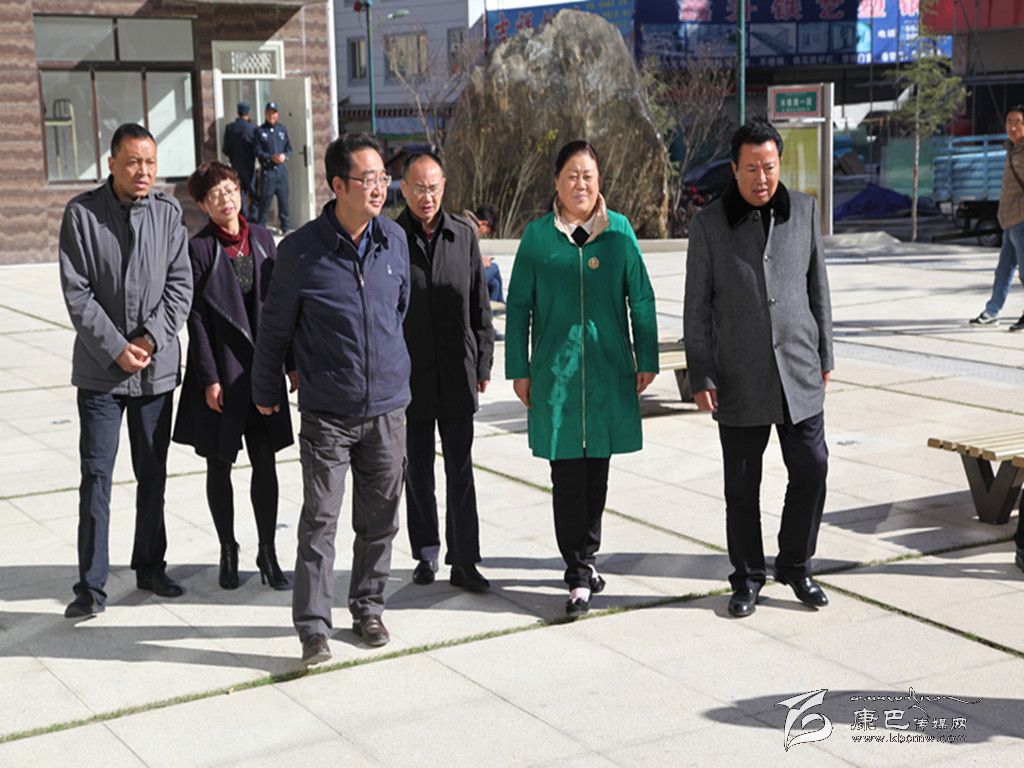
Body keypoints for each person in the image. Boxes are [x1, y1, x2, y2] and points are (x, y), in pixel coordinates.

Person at [252, 132, 410, 665]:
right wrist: (265, 388)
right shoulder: (300, 251)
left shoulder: (394, 240)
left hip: (388, 407)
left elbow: (398, 311)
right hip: (328, 413)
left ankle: (368, 606)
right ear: (338, 185)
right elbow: (275, 327)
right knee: (320, 520)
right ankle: (314, 628)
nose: (380, 188)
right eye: (369, 179)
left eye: (383, 178)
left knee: (381, 518)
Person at [683, 118, 834, 619]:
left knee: (812, 467)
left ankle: (796, 564)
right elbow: (695, 309)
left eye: (769, 166)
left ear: (779, 164)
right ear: (734, 169)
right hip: (739, 376)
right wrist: (702, 374)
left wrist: (826, 354)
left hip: (799, 370)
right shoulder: (709, 225)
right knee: (742, 489)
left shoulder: (804, 211)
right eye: (751, 168)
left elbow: (818, 290)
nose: (761, 178)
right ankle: (747, 577)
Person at [505, 139, 658, 619]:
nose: (580, 184)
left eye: (588, 175)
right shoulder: (537, 238)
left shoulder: (619, 232)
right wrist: (518, 368)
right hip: (557, 376)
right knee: (566, 472)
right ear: (556, 182)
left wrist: (646, 356)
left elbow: (641, 298)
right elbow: (518, 308)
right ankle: (577, 571)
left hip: (608, 371)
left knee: (597, 473)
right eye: (571, 175)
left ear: (600, 181)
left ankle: (585, 559)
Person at [58, 123, 193, 618]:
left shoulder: (168, 213)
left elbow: (180, 286)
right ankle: (91, 587)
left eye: (150, 162)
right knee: (96, 475)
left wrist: (150, 338)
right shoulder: (81, 214)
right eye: (133, 161)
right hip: (101, 373)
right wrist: (116, 348)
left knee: (152, 473)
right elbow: (77, 293)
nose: (143, 171)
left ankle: (151, 566)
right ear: (111, 163)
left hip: (154, 370)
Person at [171, 161, 296, 591]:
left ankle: (268, 551)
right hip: (221, 372)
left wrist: (291, 363)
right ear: (204, 206)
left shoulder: (261, 238)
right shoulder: (200, 249)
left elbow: (280, 308)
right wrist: (209, 377)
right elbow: (196, 318)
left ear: (240, 190)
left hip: (260, 371)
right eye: (214, 195)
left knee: (266, 462)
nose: (225, 199)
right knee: (219, 465)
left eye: (230, 189)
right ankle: (228, 549)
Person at [397, 152, 495, 593]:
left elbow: (479, 304)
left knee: (460, 469)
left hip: (457, 369)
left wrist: (483, 360)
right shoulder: (392, 237)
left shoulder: (463, 235)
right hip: (411, 375)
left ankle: (464, 560)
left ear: (444, 187)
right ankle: (425, 552)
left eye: (433, 187)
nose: (427, 196)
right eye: (418, 187)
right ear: (404, 189)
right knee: (417, 469)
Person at [969, 105, 1024, 330]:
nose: (1013, 127)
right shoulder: (1012, 149)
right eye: (1009, 122)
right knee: (1003, 270)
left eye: (1018, 122)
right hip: (1010, 220)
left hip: (1021, 220)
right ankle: (992, 311)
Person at [253, 101, 291, 233]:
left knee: (284, 201)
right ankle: (261, 230)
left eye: (274, 113)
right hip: (268, 172)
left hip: (281, 172)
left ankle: (285, 228)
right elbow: (257, 151)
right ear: (265, 114)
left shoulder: (282, 130)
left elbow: (289, 149)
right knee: (265, 202)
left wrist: (285, 156)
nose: (271, 116)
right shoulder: (260, 131)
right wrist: (270, 157)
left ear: (277, 114)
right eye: (269, 113)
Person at [222, 101, 257, 219]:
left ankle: (243, 216)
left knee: (240, 191)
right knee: (252, 192)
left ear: (238, 112)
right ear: (248, 113)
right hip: (250, 165)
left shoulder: (230, 128)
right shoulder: (252, 128)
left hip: (235, 165)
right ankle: (254, 217)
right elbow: (257, 148)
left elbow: (225, 149)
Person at [476, 204, 504, 305]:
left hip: (468, 274)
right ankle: (501, 303)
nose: (484, 234)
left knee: (495, 284)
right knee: (495, 267)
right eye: (487, 232)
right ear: (484, 223)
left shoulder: (466, 226)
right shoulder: (472, 230)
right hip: (468, 279)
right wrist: (481, 262)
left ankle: (493, 310)